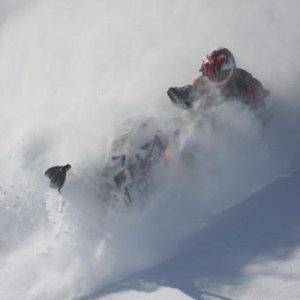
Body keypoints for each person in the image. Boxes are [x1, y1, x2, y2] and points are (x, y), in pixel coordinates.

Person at [167, 47, 270, 110]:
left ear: (230, 70)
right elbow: (189, 91)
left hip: (235, 129)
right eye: (210, 76)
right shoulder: (204, 83)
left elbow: (259, 94)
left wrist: (257, 94)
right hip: (202, 124)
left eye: (220, 75)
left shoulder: (242, 82)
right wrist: (180, 96)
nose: (215, 80)